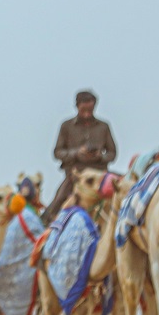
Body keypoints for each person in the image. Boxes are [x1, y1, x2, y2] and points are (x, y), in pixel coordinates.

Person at [42, 90, 117, 222]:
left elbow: (112, 153)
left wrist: (100, 155)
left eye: (90, 109)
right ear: (77, 107)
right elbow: (57, 152)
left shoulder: (103, 127)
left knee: (123, 191)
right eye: (84, 109)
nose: (87, 113)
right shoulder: (66, 126)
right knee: (58, 201)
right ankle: (46, 226)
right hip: (75, 176)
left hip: (99, 176)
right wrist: (76, 152)